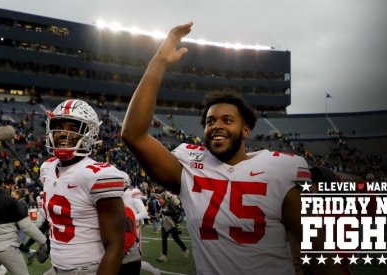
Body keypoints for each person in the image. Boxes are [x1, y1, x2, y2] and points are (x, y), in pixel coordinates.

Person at [121, 22, 340, 275]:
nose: (217, 126)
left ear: (246, 130)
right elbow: (133, 135)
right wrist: (159, 61)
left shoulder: (279, 170)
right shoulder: (190, 167)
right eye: (210, 121)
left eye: (227, 120)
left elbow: (319, 251)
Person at [41, 99, 126, 274]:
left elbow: (116, 244)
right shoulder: (47, 168)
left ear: (89, 134)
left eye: (73, 129)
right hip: (57, 267)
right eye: (59, 127)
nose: (63, 134)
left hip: (86, 269)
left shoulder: (99, 175)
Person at [120, 180, 160, 275]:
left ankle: (154, 271)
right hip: (122, 230)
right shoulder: (121, 195)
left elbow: (144, 213)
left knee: (133, 258)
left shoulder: (131, 194)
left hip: (133, 230)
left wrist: (131, 220)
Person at [156, 191, 189, 263]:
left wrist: (165, 213)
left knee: (173, 239)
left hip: (171, 224)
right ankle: (184, 250)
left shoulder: (169, 203)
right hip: (166, 224)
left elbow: (174, 212)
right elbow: (163, 214)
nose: (159, 200)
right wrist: (159, 216)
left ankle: (165, 255)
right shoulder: (163, 205)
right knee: (169, 239)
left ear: (164, 198)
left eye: (160, 199)